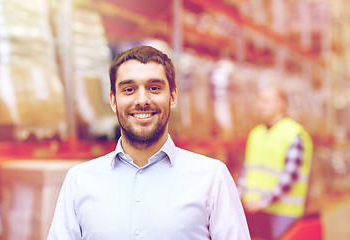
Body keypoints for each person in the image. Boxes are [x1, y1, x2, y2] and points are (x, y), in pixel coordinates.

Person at [48, 45, 250, 240]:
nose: (142, 99)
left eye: (154, 88)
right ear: (113, 100)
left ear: (172, 97)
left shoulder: (212, 178)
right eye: (129, 89)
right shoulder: (80, 181)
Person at [237, 86, 313, 240]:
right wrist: (237, 199)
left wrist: (264, 201)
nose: (260, 105)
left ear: (281, 103)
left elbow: (290, 177)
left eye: (265, 101)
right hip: (254, 210)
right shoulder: (256, 134)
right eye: (259, 101)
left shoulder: (294, 134)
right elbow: (247, 172)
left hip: (283, 212)